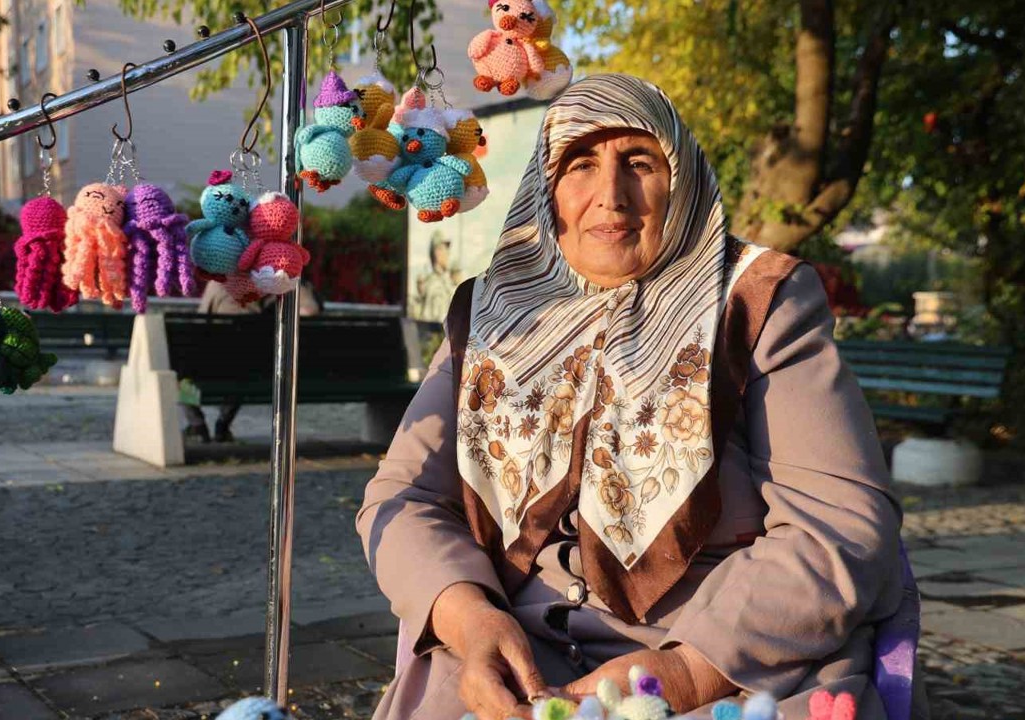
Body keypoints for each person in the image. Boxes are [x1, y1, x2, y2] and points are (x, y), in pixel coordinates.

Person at [356, 75, 919, 720]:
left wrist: (683, 669)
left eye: (640, 162)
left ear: (679, 181)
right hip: (515, 651)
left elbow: (840, 526)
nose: (611, 197)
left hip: (729, 657)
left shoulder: (758, 302)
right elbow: (402, 500)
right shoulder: (489, 314)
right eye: (581, 164)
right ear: (546, 189)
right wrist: (470, 619)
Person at [182, 278, 322, 443]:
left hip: (215, 366)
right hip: (249, 369)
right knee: (242, 368)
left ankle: (197, 426)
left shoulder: (218, 284)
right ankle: (223, 425)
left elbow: (201, 321)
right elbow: (310, 310)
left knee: (182, 378)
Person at [414, 233, 460, 322]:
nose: (448, 254)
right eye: (444, 249)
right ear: (437, 253)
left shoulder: (448, 281)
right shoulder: (431, 284)